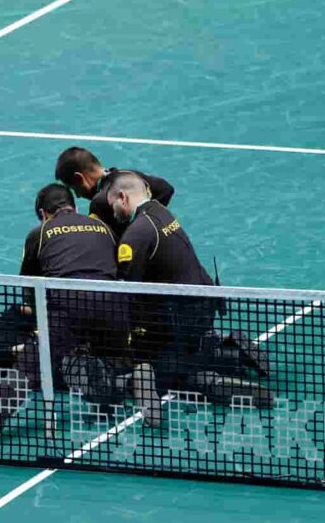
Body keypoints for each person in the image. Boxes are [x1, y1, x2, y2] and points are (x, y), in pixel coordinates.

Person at [0, 184, 129, 442]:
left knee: (30, 367)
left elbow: (31, 288)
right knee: (106, 360)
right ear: (74, 206)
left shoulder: (40, 233)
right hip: (116, 304)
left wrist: (44, 328)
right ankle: (130, 384)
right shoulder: (104, 227)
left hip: (69, 304)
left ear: (43, 213)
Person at [106, 172, 271, 425]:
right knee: (185, 353)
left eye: (113, 205)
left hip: (180, 317)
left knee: (167, 375)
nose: (114, 212)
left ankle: (212, 382)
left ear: (122, 196)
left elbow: (127, 294)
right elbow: (161, 186)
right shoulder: (160, 211)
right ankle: (228, 354)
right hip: (205, 303)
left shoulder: (135, 234)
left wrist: (124, 338)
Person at [55, 146, 174, 238]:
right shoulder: (130, 176)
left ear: (79, 178)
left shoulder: (100, 204)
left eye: (75, 188)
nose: (78, 195)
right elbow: (166, 189)